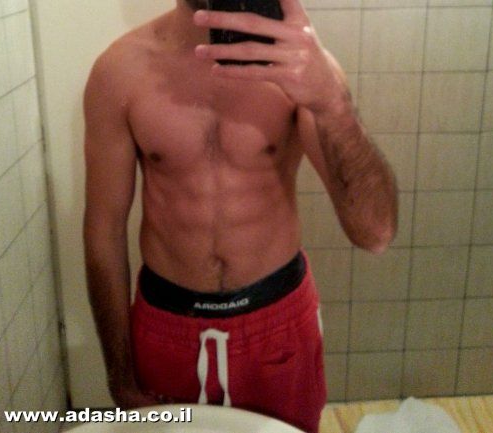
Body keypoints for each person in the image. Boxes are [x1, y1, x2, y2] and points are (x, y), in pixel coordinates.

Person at [82, 0, 398, 431]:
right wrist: (118, 373)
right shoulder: (119, 72)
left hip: (278, 325)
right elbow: (104, 231)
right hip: (166, 326)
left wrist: (332, 103)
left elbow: (376, 232)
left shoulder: (299, 69)